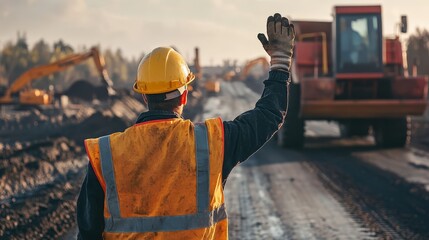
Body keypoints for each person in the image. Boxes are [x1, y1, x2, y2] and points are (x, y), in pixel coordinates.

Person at [77, 13, 295, 240]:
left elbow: (87, 233)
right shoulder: (212, 143)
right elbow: (269, 115)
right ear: (184, 96)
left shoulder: (106, 155)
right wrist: (280, 63)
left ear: (144, 96)